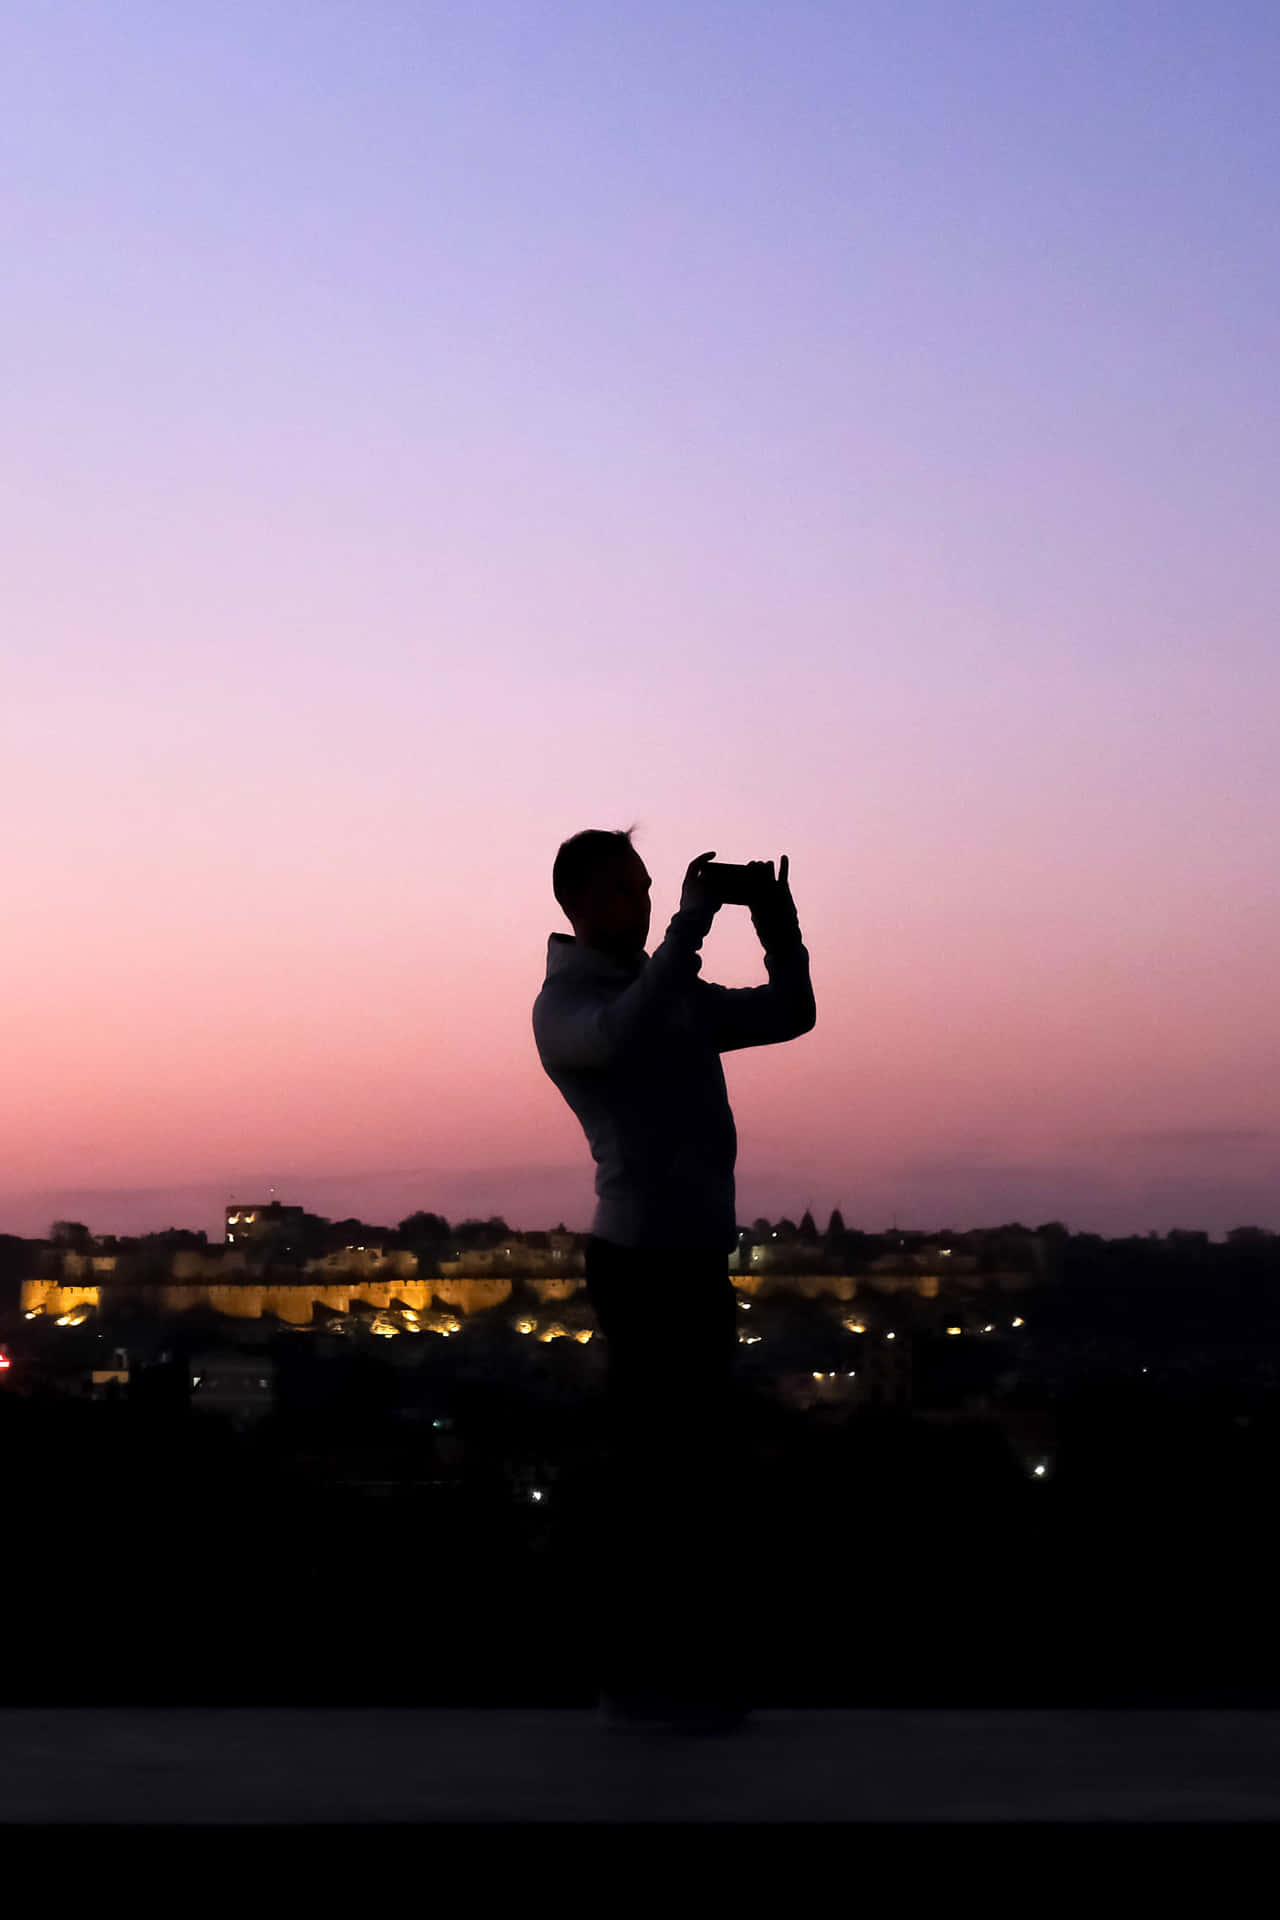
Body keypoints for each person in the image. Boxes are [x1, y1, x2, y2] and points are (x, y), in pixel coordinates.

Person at [531, 829, 816, 1729]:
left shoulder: (668, 990)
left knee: (693, 1480)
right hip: (641, 1268)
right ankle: (634, 1678)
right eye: (625, 892)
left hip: (693, 1266)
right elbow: (621, 1037)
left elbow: (790, 1013)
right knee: (652, 1480)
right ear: (576, 905)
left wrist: (779, 926)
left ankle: (682, 1675)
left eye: (649, 890)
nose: (644, 905)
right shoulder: (566, 1006)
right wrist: (691, 927)